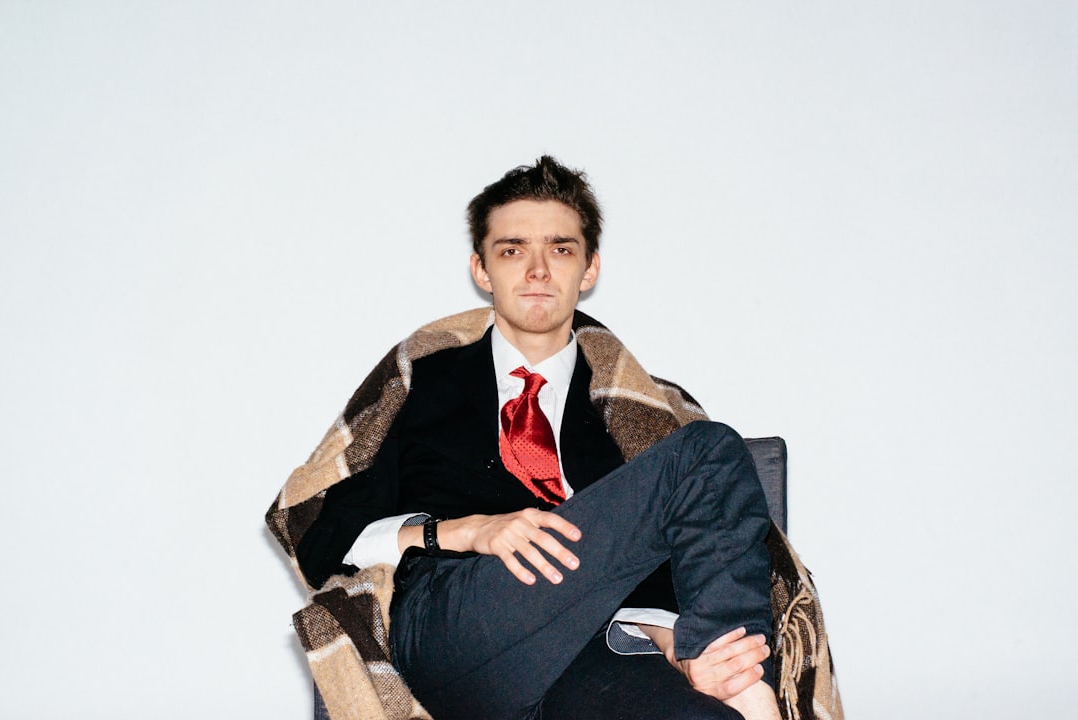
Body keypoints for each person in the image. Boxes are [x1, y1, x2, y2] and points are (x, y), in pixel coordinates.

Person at [286, 157, 791, 720]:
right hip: (458, 627)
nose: (536, 270)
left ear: (589, 268)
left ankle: (732, 681)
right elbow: (328, 539)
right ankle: (751, 691)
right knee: (706, 450)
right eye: (511, 250)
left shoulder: (634, 413)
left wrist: (675, 638)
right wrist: (468, 532)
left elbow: (659, 552)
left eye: (560, 248)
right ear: (481, 270)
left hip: (592, 645)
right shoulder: (422, 385)